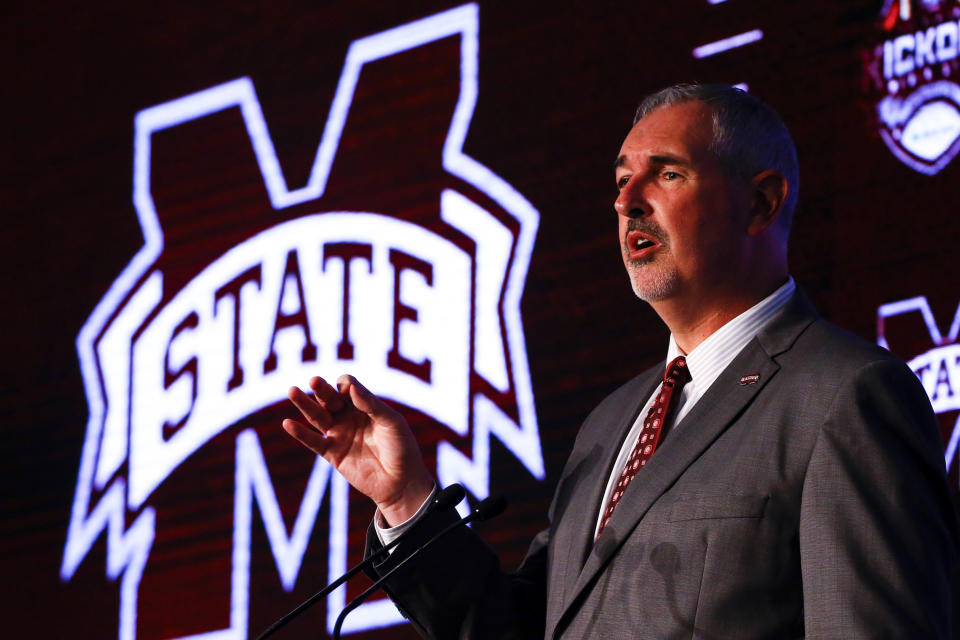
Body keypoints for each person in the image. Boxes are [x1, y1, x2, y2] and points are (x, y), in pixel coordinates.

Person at [282, 83, 958, 638]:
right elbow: (519, 631)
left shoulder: (843, 397)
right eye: (621, 181)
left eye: (667, 174)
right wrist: (405, 500)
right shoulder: (613, 424)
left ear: (760, 202)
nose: (627, 201)